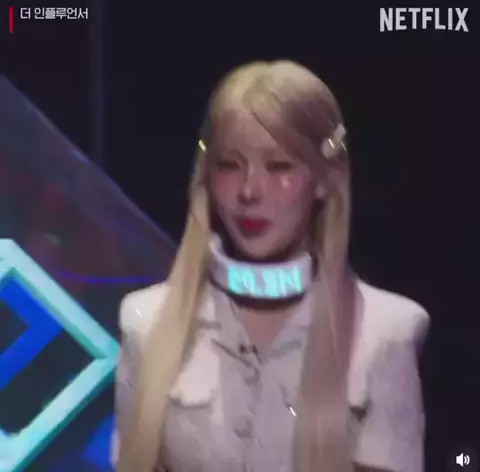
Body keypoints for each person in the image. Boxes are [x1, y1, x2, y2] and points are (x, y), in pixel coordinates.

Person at [112, 61, 430, 472]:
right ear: (206, 176)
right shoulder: (145, 322)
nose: (249, 191)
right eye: (230, 165)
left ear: (324, 180)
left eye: (279, 166)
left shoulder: (387, 332)